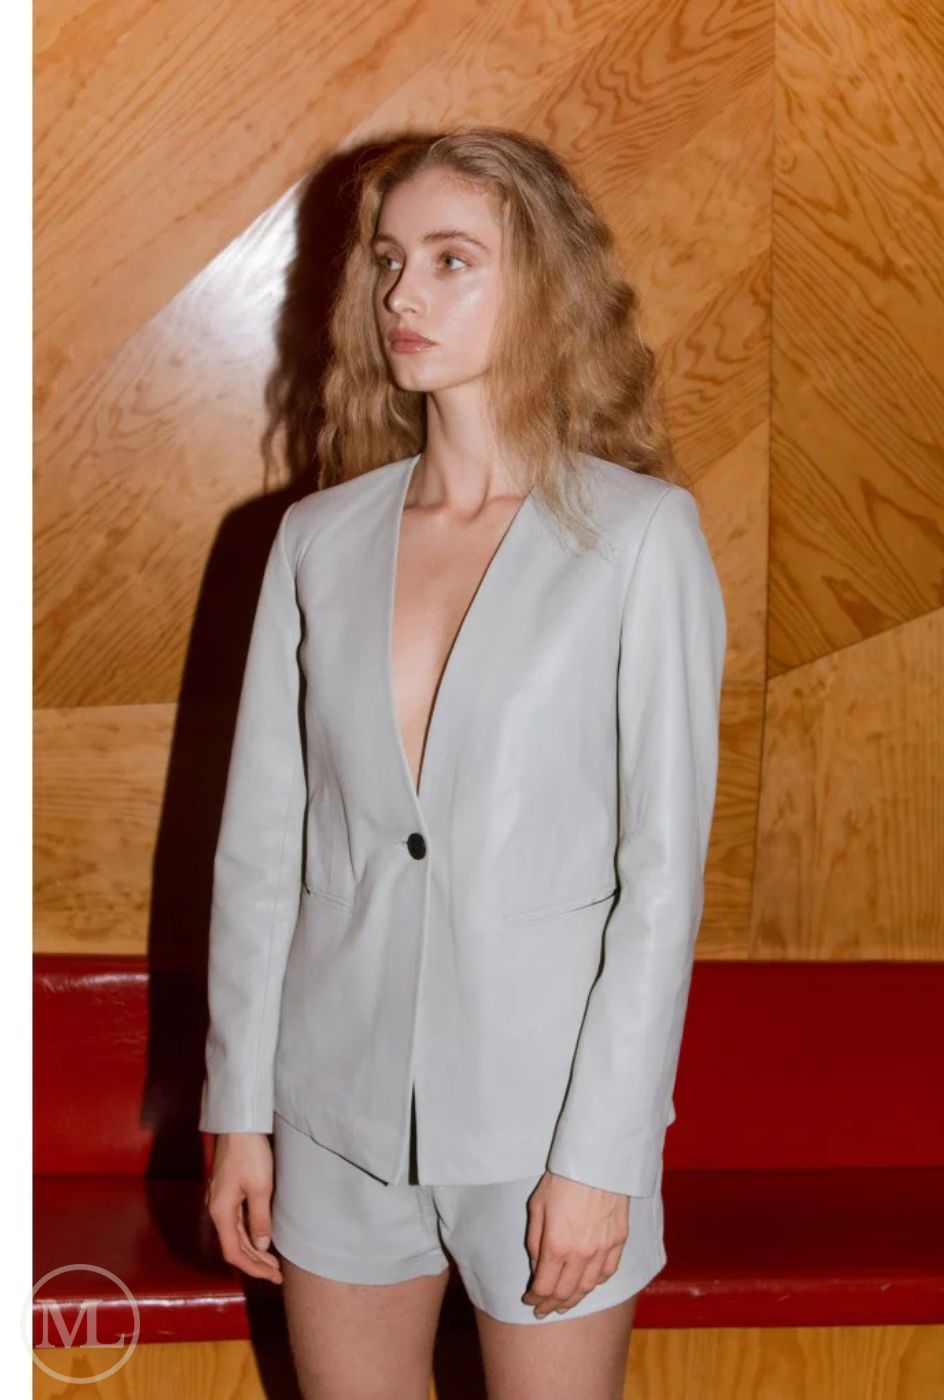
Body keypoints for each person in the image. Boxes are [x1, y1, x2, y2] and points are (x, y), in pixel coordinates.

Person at [200, 126, 727, 1399]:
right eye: (389, 262)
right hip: (336, 1116)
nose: (402, 296)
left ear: (542, 286)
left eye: (450, 260)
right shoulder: (315, 542)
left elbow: (661, 882)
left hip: (547, 1127)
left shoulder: (639, 537)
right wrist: (239, 1106)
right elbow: (263, 849)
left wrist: (601, 1156)